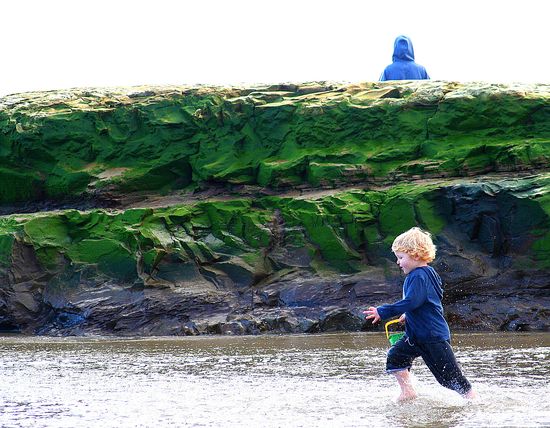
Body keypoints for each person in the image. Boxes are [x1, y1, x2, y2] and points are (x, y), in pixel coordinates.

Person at [363, 227, 477, 401]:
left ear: (415, 255)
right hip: (416, 335)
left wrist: (383, 311)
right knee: (396, 357)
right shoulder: (428, 273)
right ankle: (408, 391)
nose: (398, 262)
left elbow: (412, 301)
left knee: (449, 378)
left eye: (401, 257)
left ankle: (474, 400)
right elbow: (430, 299)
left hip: (432, 336)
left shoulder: (418, 276)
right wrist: (409, 315)